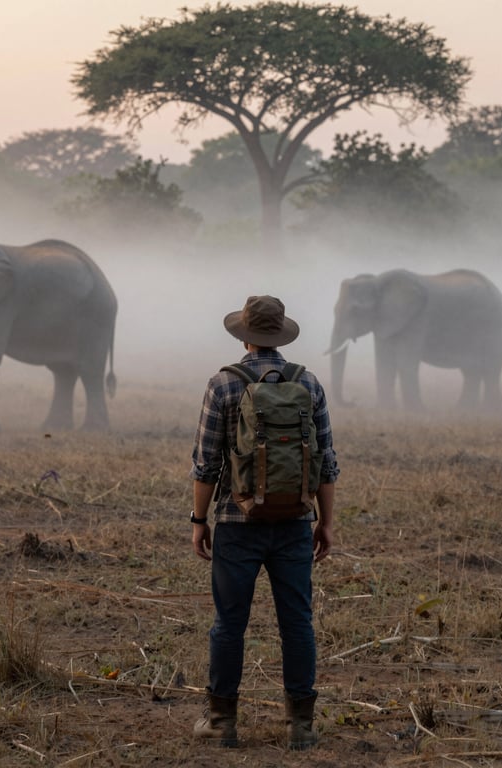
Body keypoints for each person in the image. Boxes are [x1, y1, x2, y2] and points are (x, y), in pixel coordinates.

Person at [190, 294, 339, 750]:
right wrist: (325, 522)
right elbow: (327, 462)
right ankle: (301, 727)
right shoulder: (308, 384)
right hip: (295, 521)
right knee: (297, 623)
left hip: (237, 523)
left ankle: (222, 722)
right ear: (280, 336)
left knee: (228, 624)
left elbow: (205, 464)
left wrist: (200, 520)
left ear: (245, 336)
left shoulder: (223, 384)